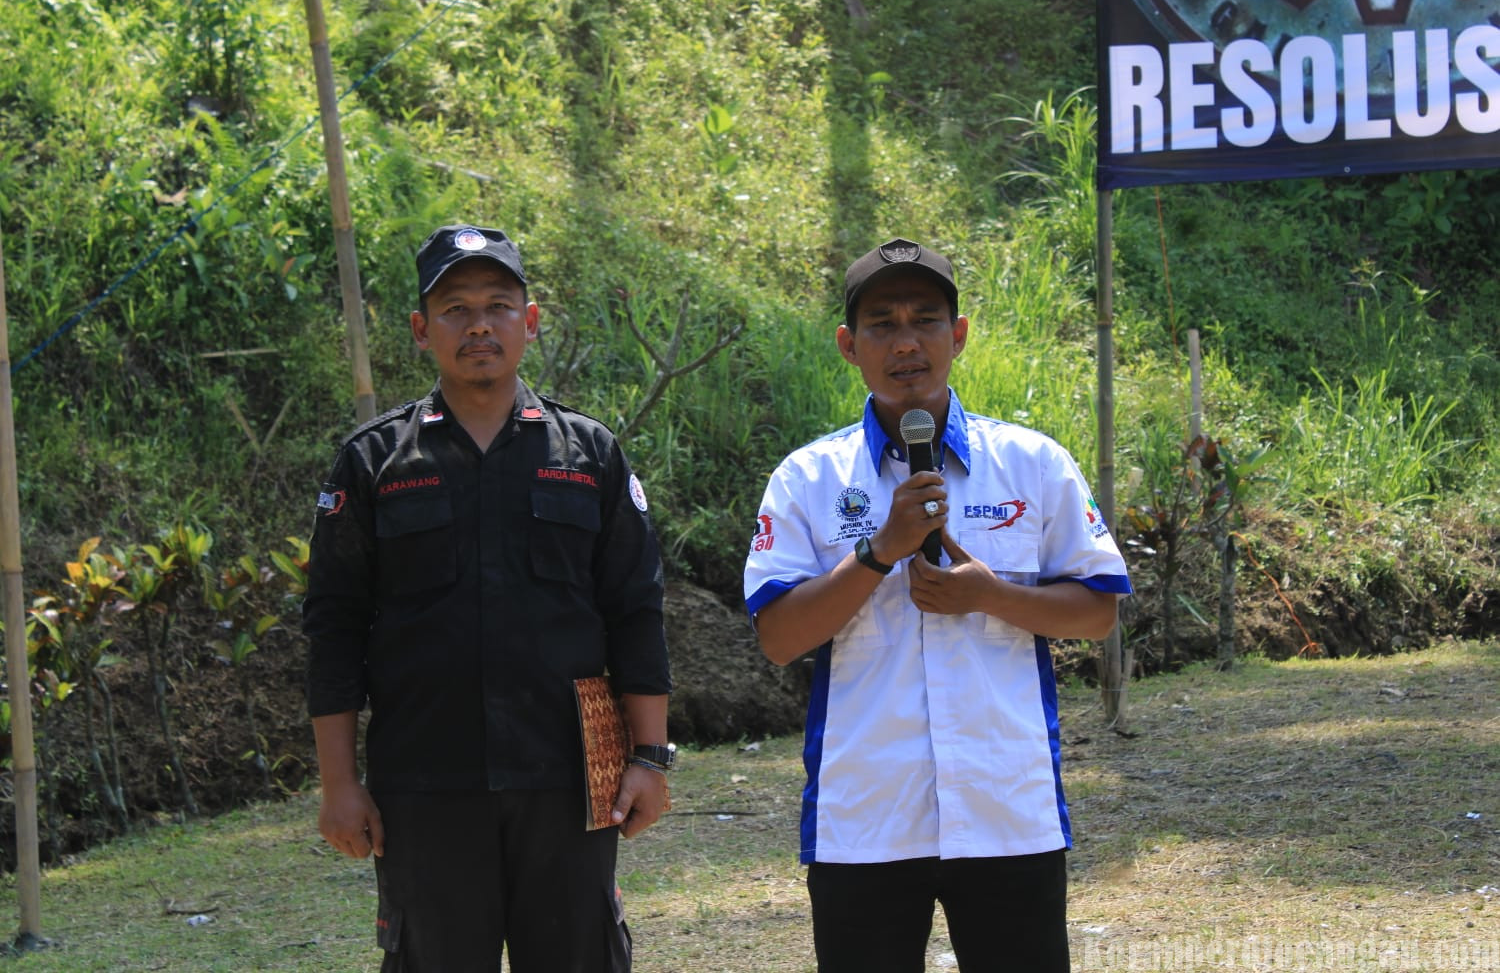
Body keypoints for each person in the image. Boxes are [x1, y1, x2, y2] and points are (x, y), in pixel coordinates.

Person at [743, 237, 1132, 972]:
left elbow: (1097, 611)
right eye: (882, 323)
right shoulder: (808, 477)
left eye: (925, 319)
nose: (906, 341)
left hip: (1007, 810)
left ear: (958, 335)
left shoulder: (1033, 462)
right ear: (847, 345)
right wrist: (879, 550)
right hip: (866, 818)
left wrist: (991, 595)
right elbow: (779, 637)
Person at [303, 224, 673, 973]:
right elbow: (333, 626)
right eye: (455, 308)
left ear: (529, 323)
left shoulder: (587, 453)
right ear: (420, 330)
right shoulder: (374, 461)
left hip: (570, 781)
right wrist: (338, 784)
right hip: (425, 783)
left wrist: (651, 758)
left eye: (499, 305)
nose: (479, 324)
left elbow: (636, 608)